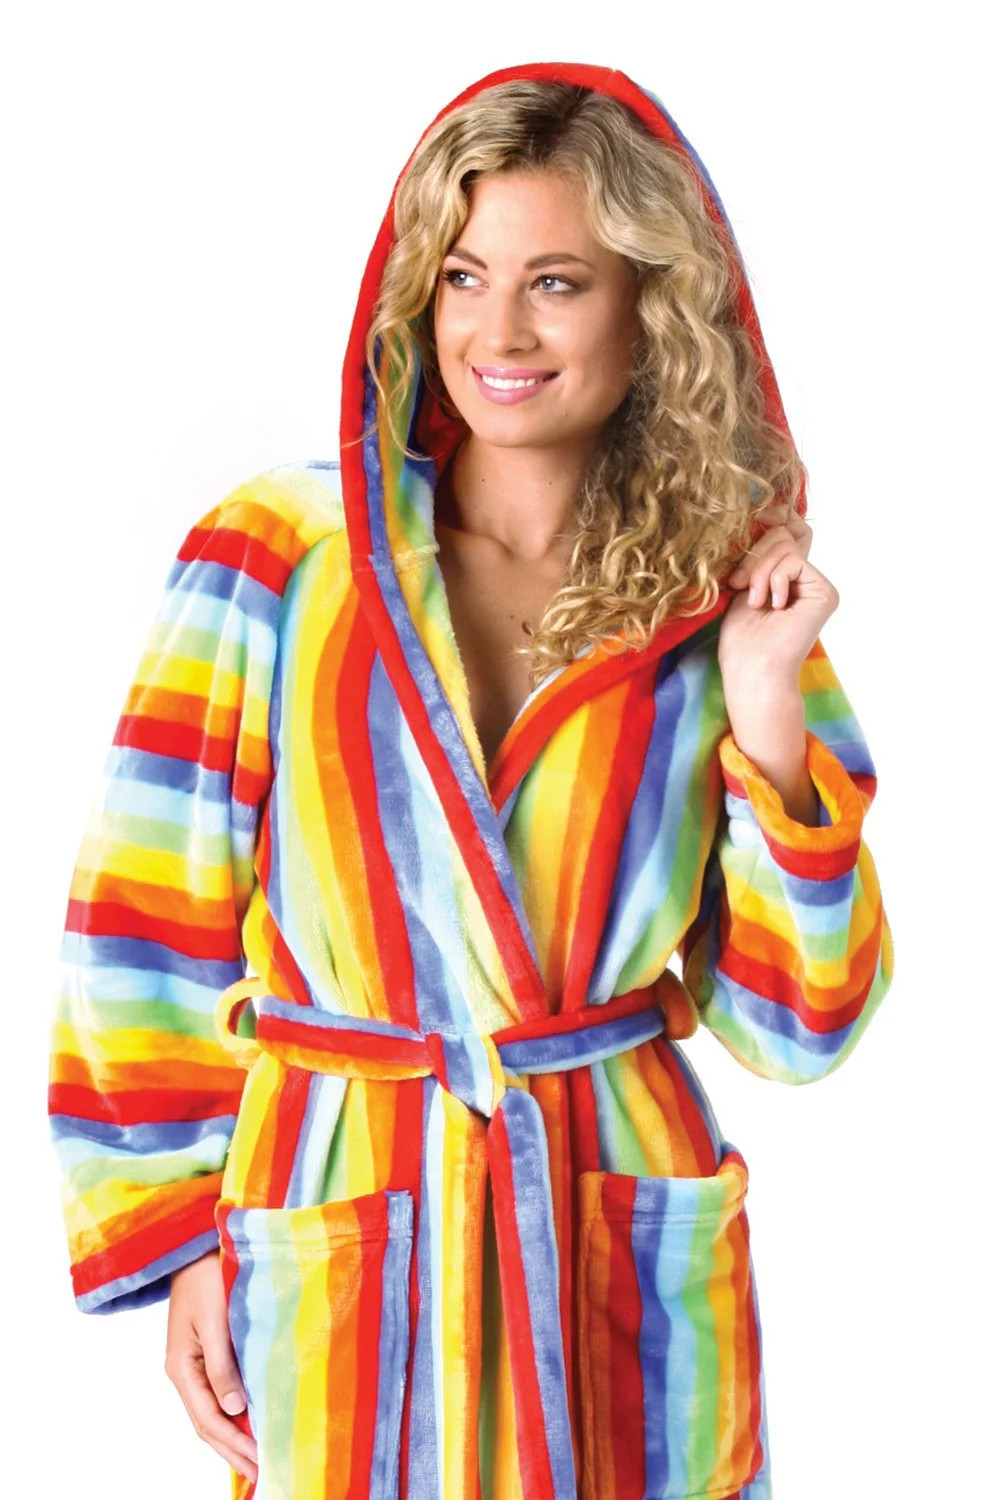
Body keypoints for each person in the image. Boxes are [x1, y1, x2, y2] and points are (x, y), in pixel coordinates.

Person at [48, 60, 894, 1500]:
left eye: (555, 283)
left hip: (613, 1216)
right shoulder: (281, 556)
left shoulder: (717, 603)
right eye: (461, 276)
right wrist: (178, 1233)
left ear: (652, 306)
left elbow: (799, 1028)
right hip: (347, 1196)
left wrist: (764, 714)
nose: (497, 331)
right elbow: (144, 916)